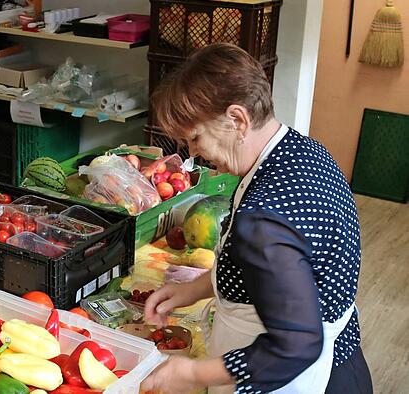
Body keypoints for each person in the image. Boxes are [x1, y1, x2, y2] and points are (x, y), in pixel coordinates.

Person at [140, 43, 372, 394]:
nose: (193, 154)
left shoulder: (265, 217)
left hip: (303, 379)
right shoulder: (300, 150)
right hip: (345, 359)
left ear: (237, 120)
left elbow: (295, 346)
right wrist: (193, 289)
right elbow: (277, 269)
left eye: (195, 137)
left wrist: (191, 374)